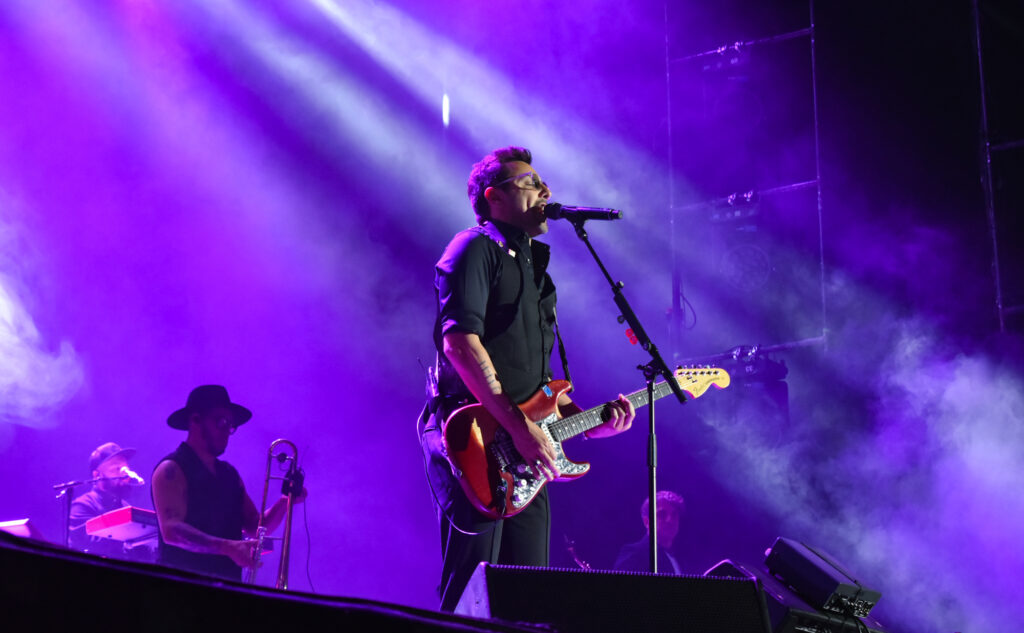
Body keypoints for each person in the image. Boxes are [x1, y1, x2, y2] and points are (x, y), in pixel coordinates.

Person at [418, 146, 635, 611]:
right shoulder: (474, 247)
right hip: (477, 442)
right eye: (531, 184)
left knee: (528, 600)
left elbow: (540, 384)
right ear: (493, 197)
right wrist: (519, 426)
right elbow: (460, 343)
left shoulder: (536, 269)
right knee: (471, 597)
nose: (545, 191)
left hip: (526, 457)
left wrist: (591, 422)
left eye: (543, 183)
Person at [151, 385, 305, 581]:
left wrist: (285, 501)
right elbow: (171, 530)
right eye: (221, 422)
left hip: (226, 586)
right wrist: (227, 547)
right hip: (181, 587)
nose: (227, 432)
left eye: (230, 426)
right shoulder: (171, 469)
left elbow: (254, 526)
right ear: (195, 421)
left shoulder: (229, 474)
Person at [69, 441, 147, 559]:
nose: (125, 475)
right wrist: (132, 542)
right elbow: (85, 543)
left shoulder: (125, 507)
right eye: (116, 469)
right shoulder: (82, 505)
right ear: (97, 475)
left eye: (126, 469)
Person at [613, 490, 686, 574]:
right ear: (646, 522)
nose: (670, 520)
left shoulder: (680, 559)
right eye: (661, 514)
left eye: (674, 514)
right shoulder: (634, 555)